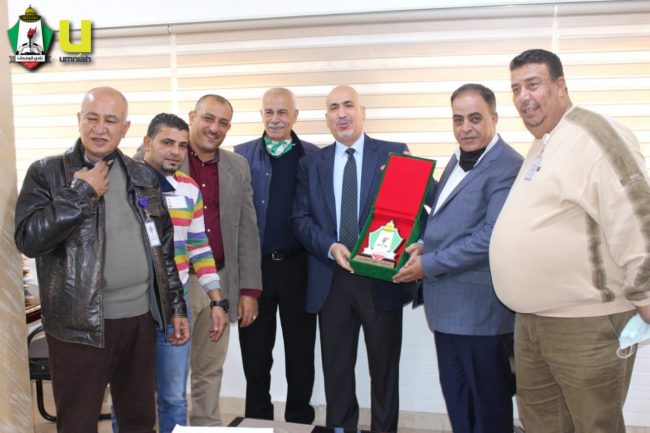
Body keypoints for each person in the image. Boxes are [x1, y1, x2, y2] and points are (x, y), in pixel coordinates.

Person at [490, 48, 650, 433]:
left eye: (533, 84)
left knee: (595, 425)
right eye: (516, 89)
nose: (523, 97)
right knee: (541, 424)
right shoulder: (543, 143)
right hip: (532, 322)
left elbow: (636, 213)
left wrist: (645, 294)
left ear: (561, 85)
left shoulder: (594, 134)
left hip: (586, 324)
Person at [14, 87, 189, 433]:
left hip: (140, 320)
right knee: (78, 423)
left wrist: (176, 308)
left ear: (125, 128)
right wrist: (80, 194)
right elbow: (29, 239)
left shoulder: (142, 175)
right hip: (79, 325)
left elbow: (163, 249)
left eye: (110, 120)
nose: (100, 128)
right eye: (92, 118)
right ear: (79, 120)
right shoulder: (47, 172)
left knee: (139, 421)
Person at [393, 83, 522, 433]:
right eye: (458, 119)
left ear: (494, 118)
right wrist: (423, 243)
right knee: (460, 405)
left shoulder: (508, 166)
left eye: (475, 118)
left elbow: (489, 238)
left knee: (489, 411)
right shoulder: (457, 157)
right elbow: (448, 217)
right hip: (447, 312)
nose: (466, 128)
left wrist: (427, 265)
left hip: (481, 315)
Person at [292, 85, 416, 433]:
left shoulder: (394, 154)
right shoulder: (311, 164)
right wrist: (330, 246)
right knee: (337, 370)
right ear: (327, 117)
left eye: (348, 105)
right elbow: (300, 219)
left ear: (363, 112)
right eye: (334, 107)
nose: (342, 113)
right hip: (331, 278)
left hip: (380, 280)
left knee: (384, 371)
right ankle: (341, 428)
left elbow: (422, 205)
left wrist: (419, 243)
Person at [133, 113, 226, 433]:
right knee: (131, 396)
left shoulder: (189, 188)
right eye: (167, 142)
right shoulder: (126, 184)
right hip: (134, 304)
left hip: (177, 303)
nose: (175, 151)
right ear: (148, 143)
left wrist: (216, 300)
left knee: (173, 396)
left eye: (182, 145)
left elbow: (199, 247)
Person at [234, 88, 318, 423]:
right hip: (256, 270)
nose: (275, 119)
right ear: (261, 115)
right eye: (269, 112)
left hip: (300, 269)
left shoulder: (313, 156)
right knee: (255, 354)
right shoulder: (241, 156)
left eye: (282, 112)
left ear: (295, 116)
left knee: (301, 353)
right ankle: (258, 420)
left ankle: (299, 420)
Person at [184, 94, 263, 426]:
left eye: (223, 122)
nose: (214, 128)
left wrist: (249, 290)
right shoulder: (163, 156)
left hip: (220, 282)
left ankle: (205, 427)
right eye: (208, 118)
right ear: (192, 117)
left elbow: (247, 230)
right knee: (167, 371)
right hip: (179, 283)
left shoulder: (237, 166)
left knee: (209, 369)